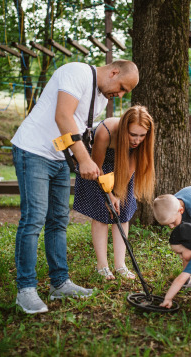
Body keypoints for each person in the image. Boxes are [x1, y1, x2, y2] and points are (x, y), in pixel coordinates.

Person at [10, 60, 139, 314]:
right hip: (33, 151)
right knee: (34, 218)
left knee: (58, 220)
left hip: (59, 158)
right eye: (122, 87)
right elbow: (63, 116)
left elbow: (79, 132)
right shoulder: (77, 72)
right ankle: (26, 289)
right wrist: (84, 159)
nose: (121, 95)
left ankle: (60, 283)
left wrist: (107, 190)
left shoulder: (100, 99)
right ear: (114, 72)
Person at [73, 105, 155, 280]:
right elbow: (96, 166)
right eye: (133, 134)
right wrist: (108, 195)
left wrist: (117, 193)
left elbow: (131, 166)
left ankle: (120, 266)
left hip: (121, 169)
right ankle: (102, 266)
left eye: (142, 135)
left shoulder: (141, 141)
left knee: (122, 213)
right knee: (102, 214)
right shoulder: (107, 131)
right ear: (125, 127)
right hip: (97, 169)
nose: (137, 140)